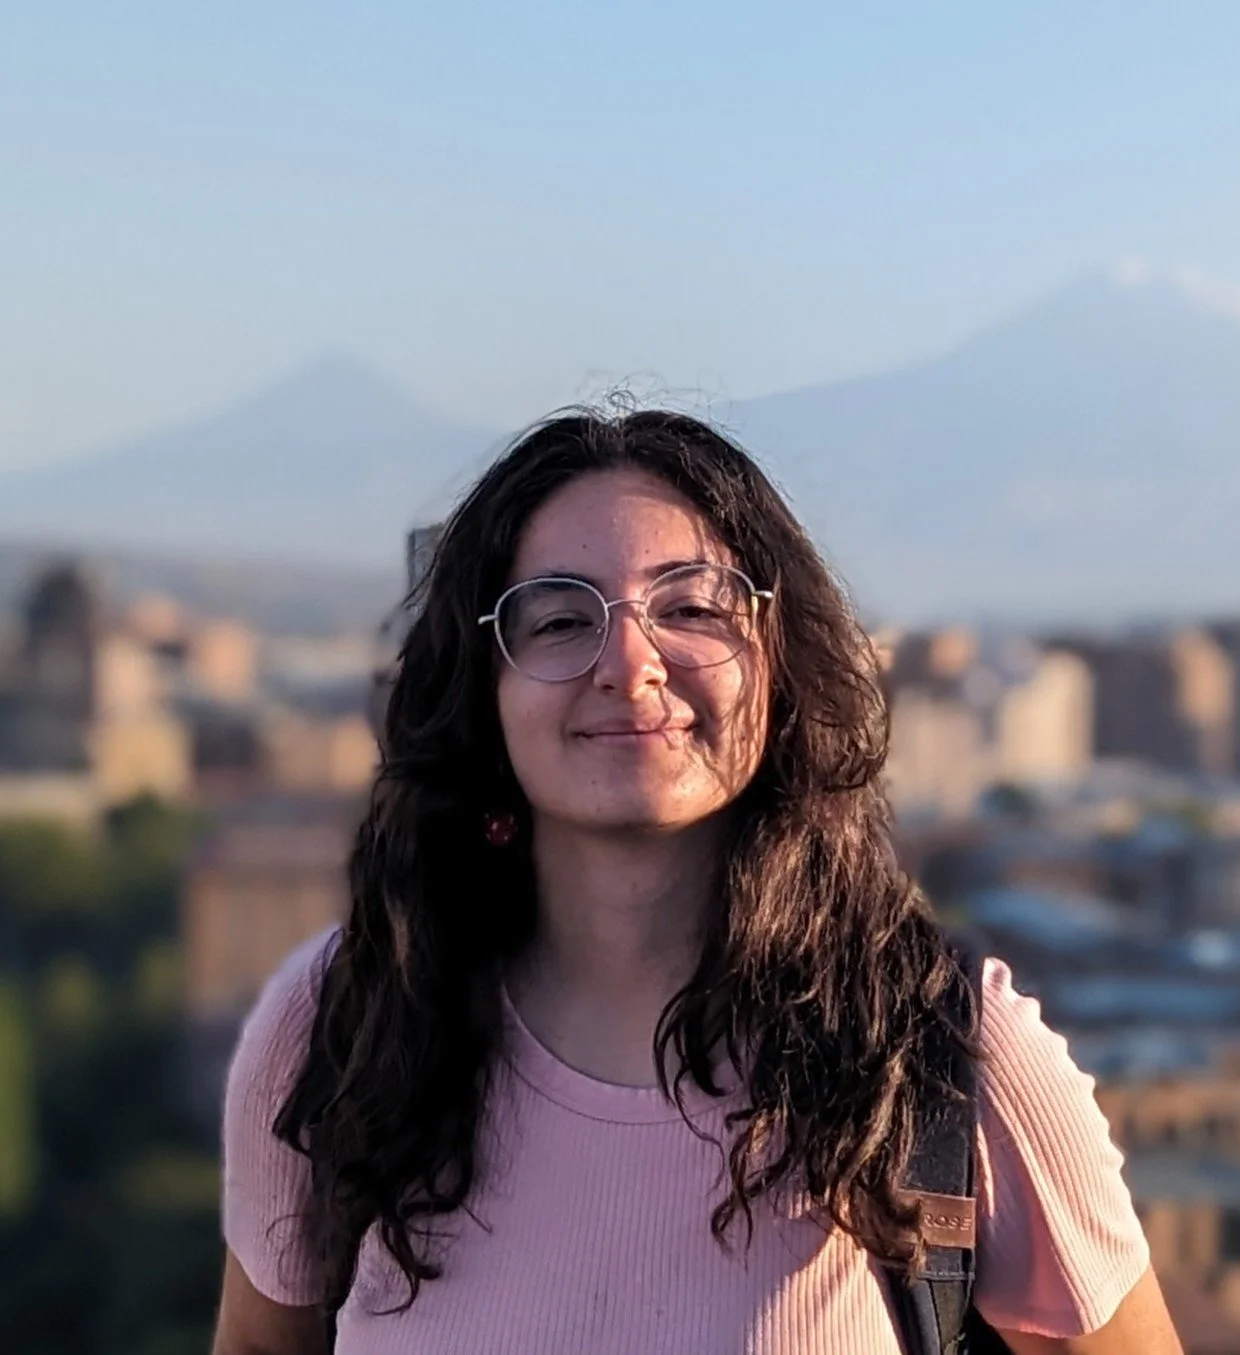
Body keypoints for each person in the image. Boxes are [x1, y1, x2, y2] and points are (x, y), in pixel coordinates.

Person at [211, 409, 1182, 1354]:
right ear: (481, 689)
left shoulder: (940, 1055)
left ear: (777, 657)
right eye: (557, 618)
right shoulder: (347, 1024)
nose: (628, 664)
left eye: (689, 605)